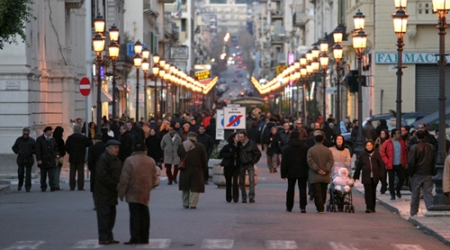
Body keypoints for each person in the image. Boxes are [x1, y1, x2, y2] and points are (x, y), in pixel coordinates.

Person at [118, 139, 157, 244]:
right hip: (145, 191)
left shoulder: (129, 160)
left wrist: (121, 193)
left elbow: (124, 178)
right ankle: (145, 238)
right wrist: (151, 186)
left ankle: (135, 237)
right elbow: (155, 178)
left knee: (135, 215)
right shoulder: (151, 160)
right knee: (144, 215)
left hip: (133, 191)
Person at [94, 140, 123, 245]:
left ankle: (109, 236)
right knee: (104, 217)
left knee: (111, 217)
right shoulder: (103, 159)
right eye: (115, 147)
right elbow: (102, 176)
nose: (117, 149)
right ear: (109, 148)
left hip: (112, 193)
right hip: (103, 193)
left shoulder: (116, 160)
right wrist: (115, 185)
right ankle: (103, 238)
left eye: (118, 147)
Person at [408, 131, 436, 216]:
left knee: (415, 194)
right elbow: (434, 161)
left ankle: (413, 212)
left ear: (417, 137)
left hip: (417, 173)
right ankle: (430, 209)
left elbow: (411, 162)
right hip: (428, 172)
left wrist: (410, 173)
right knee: (428, 193)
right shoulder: (431, 147)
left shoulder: (414, 148)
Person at [280, 130, 309, 213]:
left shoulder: (286, 147)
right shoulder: (305, 147)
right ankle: (303, 207)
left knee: (290, 189)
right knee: (303, 189)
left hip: (290, 171)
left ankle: (289, 207)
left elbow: (284, 162)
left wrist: (283, 173)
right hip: (302, 170)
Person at [177, 132, 207, 209]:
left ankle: (185, 203)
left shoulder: (182, 145)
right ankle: (193, 204)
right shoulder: (200, 146)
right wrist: (204, 168)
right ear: (195, 137)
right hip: (197, 169)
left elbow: (179, 154)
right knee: (195, 187)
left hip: (185, 169)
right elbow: (204, 159)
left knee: (185, 187)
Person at [353, 141, 385, 213]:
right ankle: (368, 207)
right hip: (366, 176)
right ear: (365, 146)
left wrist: (380, 175)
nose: (369, 147)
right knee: (367, 192)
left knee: (373, 191)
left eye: (370, 145)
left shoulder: (376, 154)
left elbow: (380, 165)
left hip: (375, 176)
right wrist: (355, 176)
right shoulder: (363, 155)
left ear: (373, 146)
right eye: (367, 145)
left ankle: (373, 207)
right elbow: (359, 166)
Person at [307, 132, 334, 213]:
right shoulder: (328, 150)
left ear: (314, 141)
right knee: (323, 190)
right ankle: (322, 203)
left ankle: (320, 207)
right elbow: (331, 160)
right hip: (325, 174)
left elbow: (310, 161)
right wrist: (325, 169)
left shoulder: (311, 150)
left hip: (314, 174)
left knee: (317, 192)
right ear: (323, 141)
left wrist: (317, 169)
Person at [381, 129, 408, 200]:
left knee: (402, 178)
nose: (400, 134)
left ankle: (398, 189)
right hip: (391, 165)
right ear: (393, 135)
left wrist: (405, 162)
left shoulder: (402, 142)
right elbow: (382, 153)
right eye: (398, 133)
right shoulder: (387, 143)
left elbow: (405, 152)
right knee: (391, 180)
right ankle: (392, 194)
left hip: (400, 164)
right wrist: (387, 161)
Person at [65, 124, 93, 191]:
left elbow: (66, 147)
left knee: (72, 172)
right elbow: (90, 143)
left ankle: (72, 186)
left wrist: (70, 152)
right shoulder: (83, 138)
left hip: (72, 156)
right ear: (80, 130)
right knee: (81, 172)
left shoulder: (70, 137)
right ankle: (80, 186)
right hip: (81, 156)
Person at [238, 131, 262, 203]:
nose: (240, 139)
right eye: (239, 137)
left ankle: (251, 197)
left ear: (245, 137)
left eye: (241, 137)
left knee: (251, 180)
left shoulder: (251, 143)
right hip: (241, 164)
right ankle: (244, 197)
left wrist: (253, 161)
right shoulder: (238, 144)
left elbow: (258, 153)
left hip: (249, 164)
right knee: (241, 182)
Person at [12, 128, 35, 192]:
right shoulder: (19, 140)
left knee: (28, 175)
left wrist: (31, 151)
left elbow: (35, 149)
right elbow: (14, 147)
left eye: (26, 134)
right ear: (23, 133)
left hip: (29, 159)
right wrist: (18, 151)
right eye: (24, 134)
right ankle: (20, 184)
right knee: (20, 173)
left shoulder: (32, 141)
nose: (25, 135)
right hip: (21, 159)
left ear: (28, 133)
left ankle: (28, 187)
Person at [35, 126, 58, 192]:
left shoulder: (52, 139)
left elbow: (55, 148)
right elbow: (38, 150)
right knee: (43, 174)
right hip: (43, 160)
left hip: (51, 159)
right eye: (50, 131)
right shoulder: (40, 139)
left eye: (51, 131)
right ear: (46, 132)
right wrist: (39, 159)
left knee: (51, 174)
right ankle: (43, 186)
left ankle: (52, 186)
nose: (51, 132)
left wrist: (56, 155)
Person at [220, 133, 240, 203]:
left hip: (236, 166)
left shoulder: (239, 146)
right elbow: (221, 154)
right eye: (237, 136)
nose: (239, 138)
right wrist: (230, 155)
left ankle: (235, 197)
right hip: (228, 166)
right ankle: (228, 197)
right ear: (233, 138)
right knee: (228, 182)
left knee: (235, 182)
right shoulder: (227, 146)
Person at [88, 134, 106, 209]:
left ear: (95, 140)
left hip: (95, 169)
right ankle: (104, 203)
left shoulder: (92, 148)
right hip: (104, 169)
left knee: (95, 188)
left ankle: (96, 204)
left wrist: (90, 167)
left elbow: (90, 160)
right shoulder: (106, 147)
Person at [374, 129, 389, 194]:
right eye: (381, 133)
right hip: (378, 158)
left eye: (383, 133)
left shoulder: (387, 141)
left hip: (385, 158)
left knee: (383, 174)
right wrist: (376, 144)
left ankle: (383, 188)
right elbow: (374, 148)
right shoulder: (378, 140)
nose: (381, 135)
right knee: (378, 173)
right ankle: (384, 184)